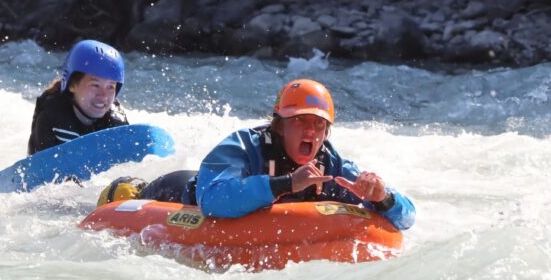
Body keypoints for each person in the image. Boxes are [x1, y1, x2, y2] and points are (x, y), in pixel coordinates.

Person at [97, 79, 414, 232]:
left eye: (318, 124)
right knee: (124, 193)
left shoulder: (332, 164)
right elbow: (214, 200)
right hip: (182, 192)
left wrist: (383, 197)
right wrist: (285, 184)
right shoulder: (244, 146)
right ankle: (125, 187)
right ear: (279, 126)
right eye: (299, 121)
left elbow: (408, 218)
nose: (310, 131)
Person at [28, 39, 128, 155]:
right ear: (72, 85)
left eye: (110, 87)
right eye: (95, 85)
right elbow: (41, 168)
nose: (104, 95)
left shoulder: (116, 120)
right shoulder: (52, 115)